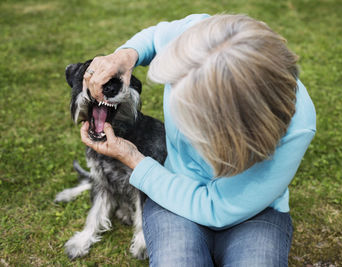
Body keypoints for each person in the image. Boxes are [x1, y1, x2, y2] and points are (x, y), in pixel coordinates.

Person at [80, 13, 316, 267]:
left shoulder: (296, 126)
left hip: (255, 214)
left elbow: (216, 208)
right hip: (172, 189)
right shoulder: (204, 38)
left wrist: (134, 159)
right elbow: (155, 38)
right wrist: (125, 56)